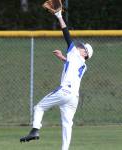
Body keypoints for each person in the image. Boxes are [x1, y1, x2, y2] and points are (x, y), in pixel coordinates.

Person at [20, 10, 93, 150]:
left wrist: (59, 15)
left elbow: (66, 34)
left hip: (64, 91)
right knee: (67, 124)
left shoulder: (75, 53)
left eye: (83, 48)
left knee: (39, 107)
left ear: (85, 53)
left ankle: (35, 130)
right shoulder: (83, 65)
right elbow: (71, 65)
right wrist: (63, 58)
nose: (81, 47)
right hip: (74, 98)